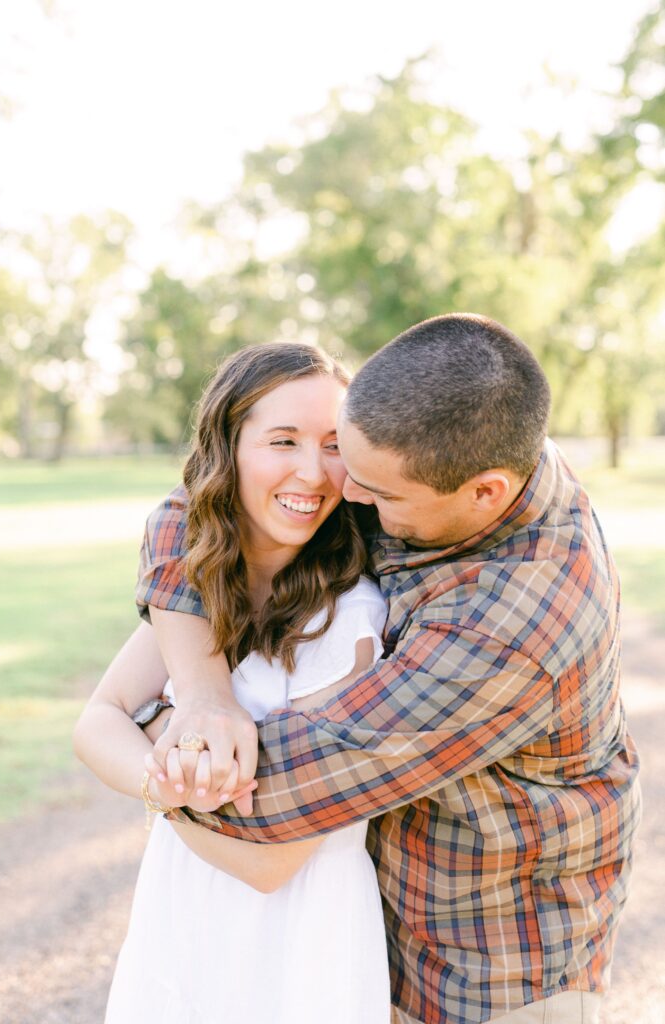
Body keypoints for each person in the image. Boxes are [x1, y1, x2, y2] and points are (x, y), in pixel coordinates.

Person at [132, 314, 641, 1024]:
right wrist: (203, 696)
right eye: (352, 466)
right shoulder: (448, 442)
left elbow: (279, 794)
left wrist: (142, 733)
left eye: (380, 495)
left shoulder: (508, 625)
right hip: (384, 940)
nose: (350, 500)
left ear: (485, 493)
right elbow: (194, 511)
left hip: (493, 972)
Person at [73, 342, 392, 1024]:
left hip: (297, 938)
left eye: (333, 444)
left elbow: (271, 861)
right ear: (229, 447)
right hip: (182, 911)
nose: (312, 471)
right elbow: (96, 721)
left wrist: (156, 738)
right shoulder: (201, 591)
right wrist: (164, 775)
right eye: (283, 440)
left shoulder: (352, 621)